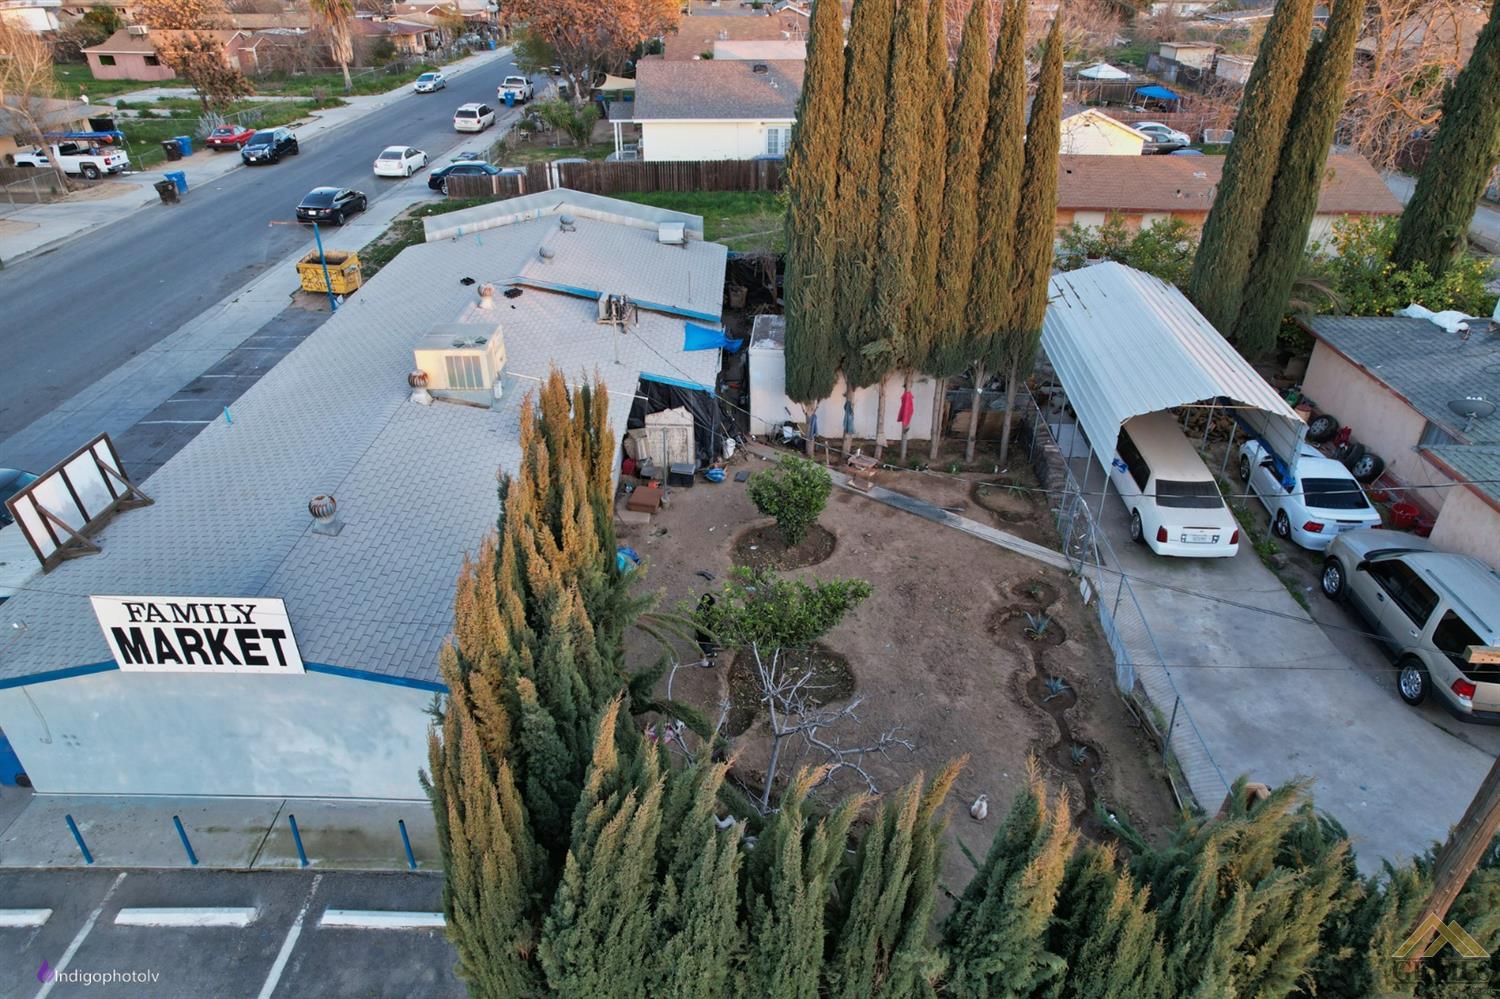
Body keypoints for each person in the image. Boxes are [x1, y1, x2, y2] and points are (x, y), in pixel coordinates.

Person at [694, 592, 717, 665]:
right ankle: (703, 662)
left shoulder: (704, 607)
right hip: (702, 634)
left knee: (707, 644)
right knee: (702, 647)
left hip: (705, 633)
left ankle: (709, 652)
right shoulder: (701, 612)